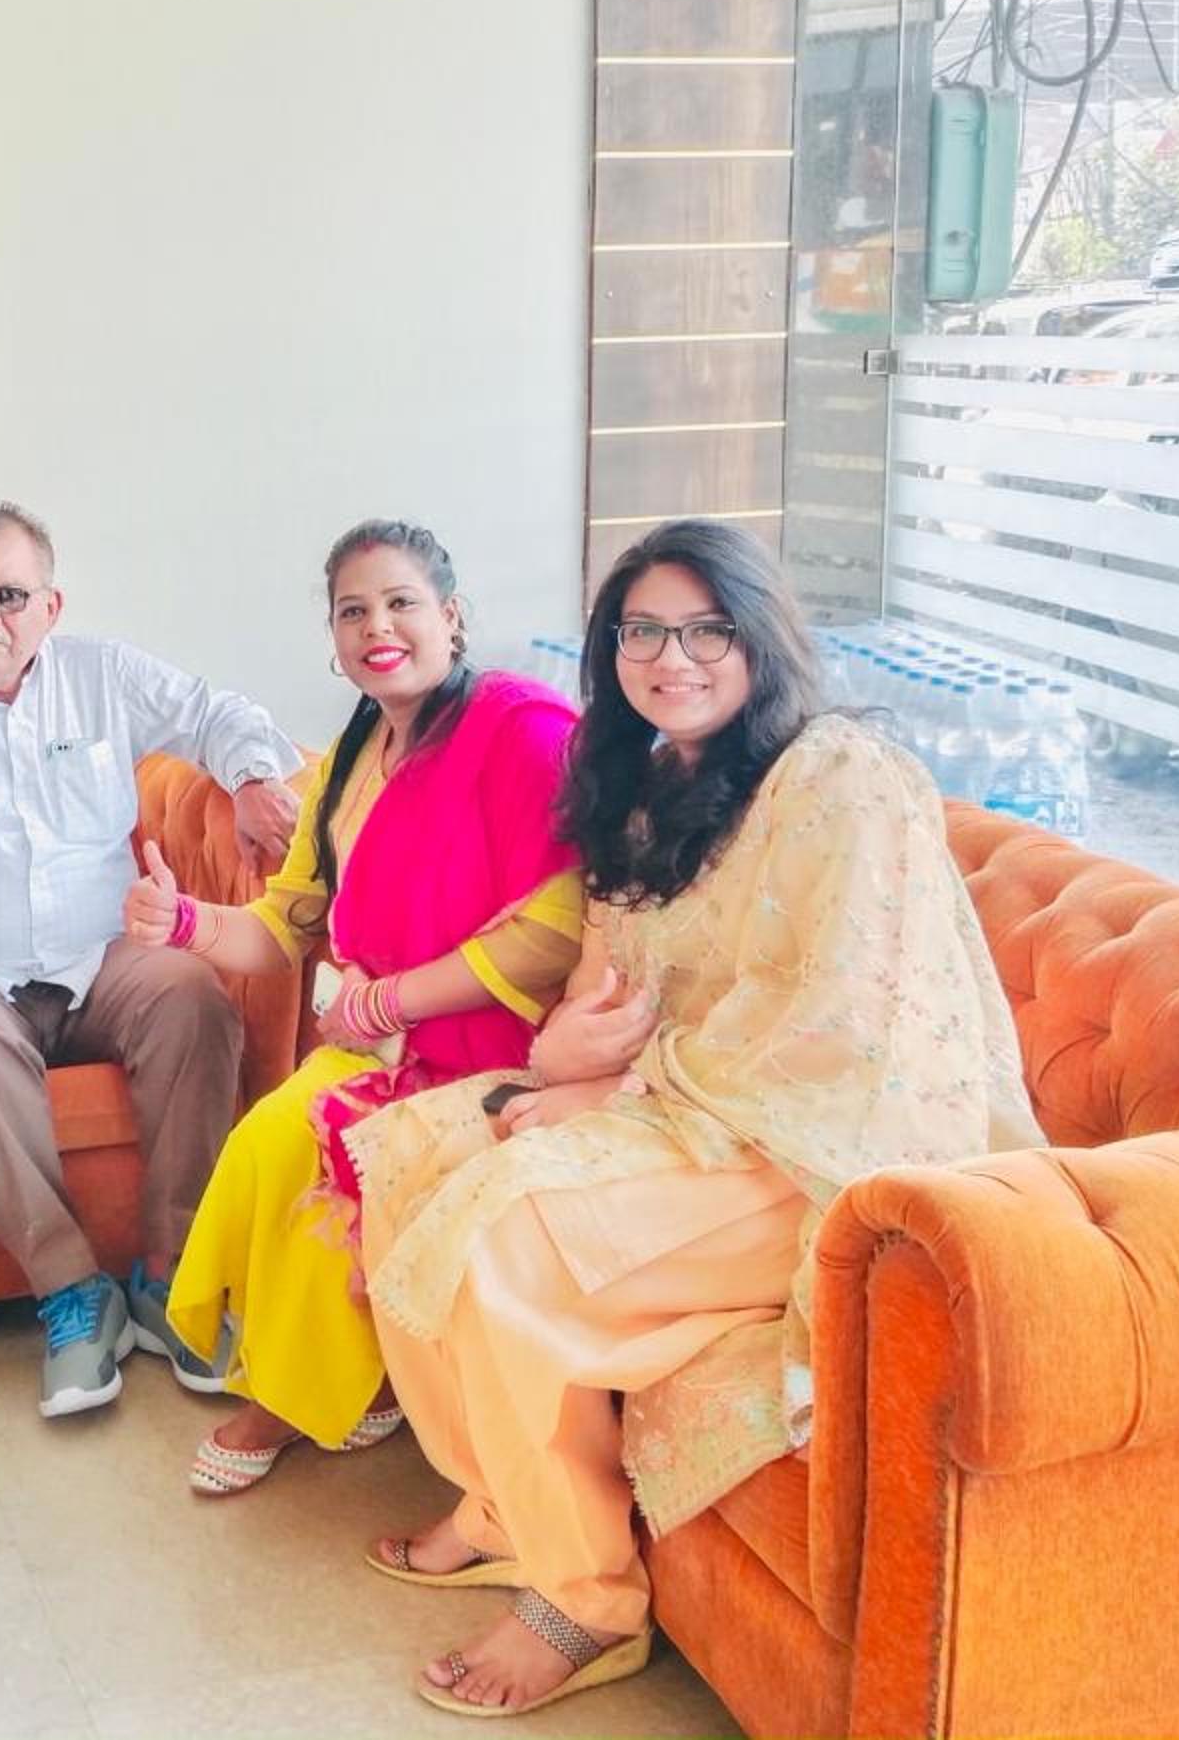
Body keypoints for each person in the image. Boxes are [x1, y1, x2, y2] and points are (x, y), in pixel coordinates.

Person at [353, 519, 1041, 1716]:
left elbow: (841, 1028)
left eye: (706, 629)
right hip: (687, 1113)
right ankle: (506, 1500)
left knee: (507, 1235)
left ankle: (586, 1597)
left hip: (822, 1149)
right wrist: (557, 1061)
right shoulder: (643, 783)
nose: (673, 658)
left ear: (760, 636)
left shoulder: (842, 777)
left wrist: (605, 1087)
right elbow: (605, 982)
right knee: (410, 1154)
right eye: (644, 632)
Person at [0, 497, 303, 1418]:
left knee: (192, 996)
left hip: (96, 957)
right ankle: (72, 1292)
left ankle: (173, 1276)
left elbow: (218, 713)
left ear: (51, 605)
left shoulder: (103, 675)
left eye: (9, 595)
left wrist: (251, 778)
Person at [147, 521, 582, 1496]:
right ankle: (342, 1377)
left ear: (452, 618)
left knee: (320, 1149)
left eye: (400, 603)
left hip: (503, 1051)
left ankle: (283, 1401)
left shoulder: (523, 731)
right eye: (353, 611)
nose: (376, 627)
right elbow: (284, 926)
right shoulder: (350, 759)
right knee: (264, 1140)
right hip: (387, 1046)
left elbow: (554, 928)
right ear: (335, 639)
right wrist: (183, 923)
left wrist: (387, 1000)